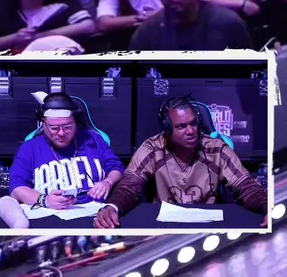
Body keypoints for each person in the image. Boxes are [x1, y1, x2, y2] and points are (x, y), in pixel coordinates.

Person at [93, 95, 267, 229]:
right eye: (181, 126)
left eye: (193, 124)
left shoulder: (216, 148)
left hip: (206, 228)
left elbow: (245, 185)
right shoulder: (152, 148)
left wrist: (266, 207)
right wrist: (113, 207)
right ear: (167, 130)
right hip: (162, 229)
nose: (191, 131)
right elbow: (130, 184)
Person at [0, 92, 125, 228]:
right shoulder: (30, 148)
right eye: (54, 128)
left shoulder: (93, 139)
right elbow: (16, 188)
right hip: (49, 218)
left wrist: (107, 182)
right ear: (43, 124)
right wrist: (44, 200)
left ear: (76, 122)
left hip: (94, 216)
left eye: (68, 127)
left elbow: (116, 168)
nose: (61, 133)